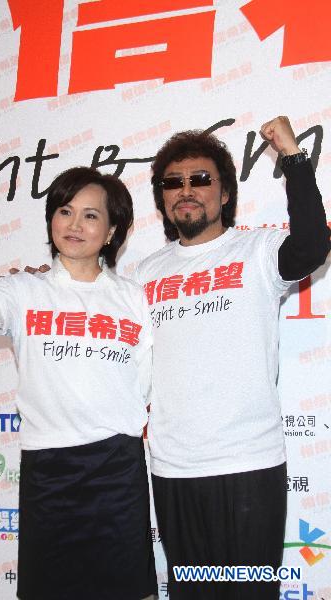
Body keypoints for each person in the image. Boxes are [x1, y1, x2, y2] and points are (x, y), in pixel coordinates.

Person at [134, 116, 330, 599]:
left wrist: (292, 156)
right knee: (191, 592)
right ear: (162, 198)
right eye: (173, 183)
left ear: (224, 194)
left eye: (201, 179)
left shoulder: (257, 251)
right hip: (173, 466)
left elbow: (312, 244)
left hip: (248, 465)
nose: (186, 191)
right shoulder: (143, 273)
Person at [0, 167, 158, 600]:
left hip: (117, 465)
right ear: (51, 220)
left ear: (113, 229)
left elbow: (144, 378)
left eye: (91, 216)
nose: (75, 225)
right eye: (65, 211)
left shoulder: (131, 296)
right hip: (49, 468)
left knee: (130, 589)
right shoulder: (23, 289)